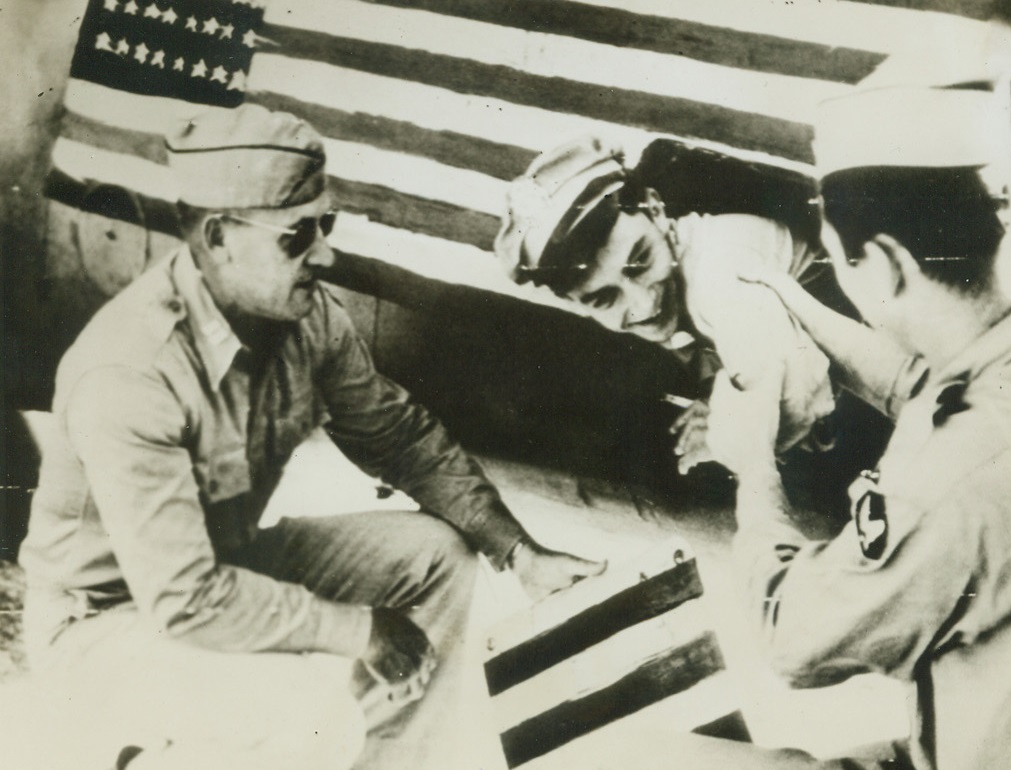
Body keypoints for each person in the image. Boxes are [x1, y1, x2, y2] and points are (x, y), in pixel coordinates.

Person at [16, 104, 603, 770]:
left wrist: (519, 552)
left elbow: (397, 436)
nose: (324, 253)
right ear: (217, 239)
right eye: (296, 236)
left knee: (436, 555)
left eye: (327, 224)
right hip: (105, 624)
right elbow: (183, 598)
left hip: (230, 564)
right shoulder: (130, 372)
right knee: (305, 704)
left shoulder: (304, 316)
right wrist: (359, 630)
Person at [699, 56, 1011, 769]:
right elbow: (944, 391)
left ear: (881, 265)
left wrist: (752, 468)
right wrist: (800, 307)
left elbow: (793, 641)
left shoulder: (945, 480)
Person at [493, 138, 918, 476]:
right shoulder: (684, 266)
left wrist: (719, 435)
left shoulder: (718, 269)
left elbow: (797, 396)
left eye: (640, 261)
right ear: (575, 303)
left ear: (656, 210)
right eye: (604, 298)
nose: (642, 303)